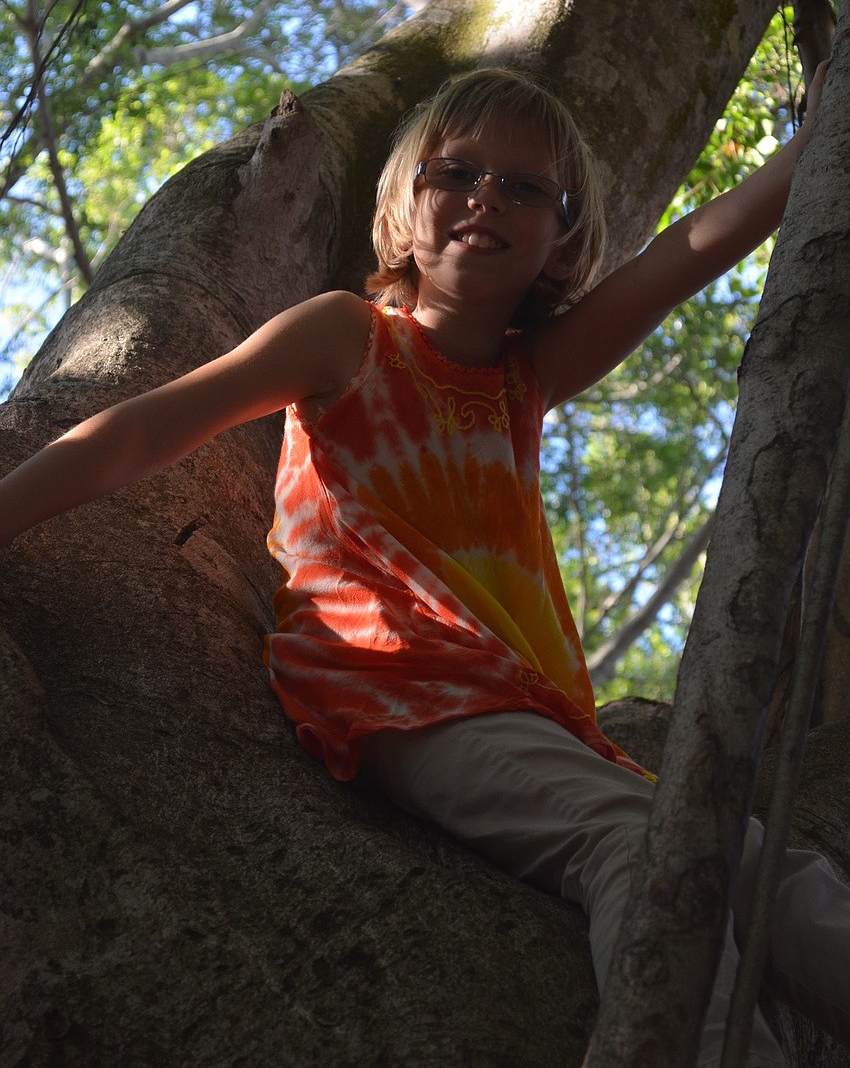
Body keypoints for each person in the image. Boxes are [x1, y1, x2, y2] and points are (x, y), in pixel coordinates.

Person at [1, 64, 847, 1066]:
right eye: (458, 173)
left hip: (523, 715)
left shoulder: (526, 379)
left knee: (764, 859)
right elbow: (141, 431)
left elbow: (690, 245)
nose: (488, 196)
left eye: (526, 188)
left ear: (559, 239)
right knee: (638, 842)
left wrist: (819, 139)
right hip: (399, 687)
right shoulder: (350, 336)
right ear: (403, 203)